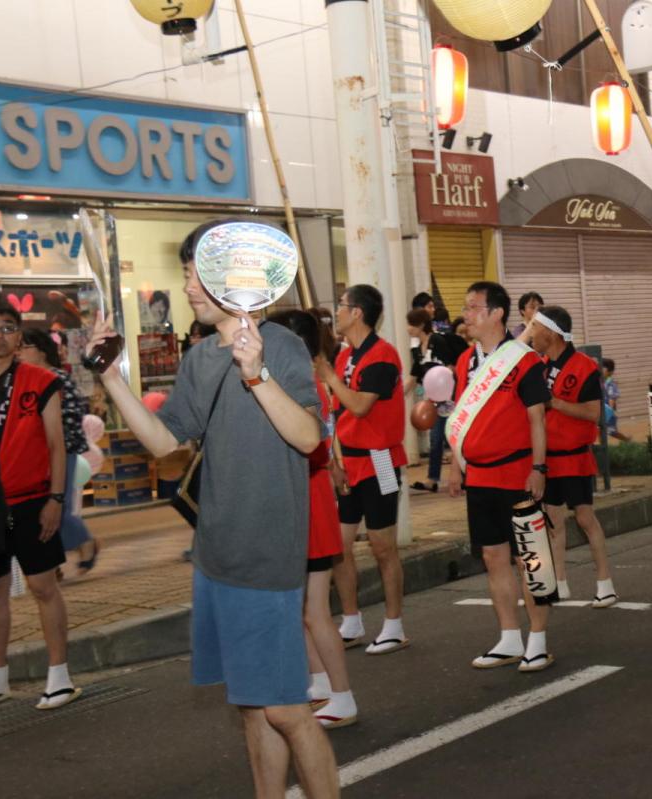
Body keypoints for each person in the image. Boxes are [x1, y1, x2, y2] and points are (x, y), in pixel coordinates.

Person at [83, 222, 338, 797]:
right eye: (186, 274)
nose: (188, 286)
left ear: (234, 276)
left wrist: (257, 374)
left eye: (197, 273)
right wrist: (111, 376)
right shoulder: (199, 358)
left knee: (288, 709)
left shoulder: (281, 346)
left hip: (266, 559)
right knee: (253, 706)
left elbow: (308, 437)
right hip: (216, 556)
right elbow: (163, 442)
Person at [447, 281, 554, 672]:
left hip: (518, 472)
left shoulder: (523, 360)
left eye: (473, 307)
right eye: (466, 307)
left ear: (496, 313)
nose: (466, 314)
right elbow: (459, 416)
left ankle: (537, 639)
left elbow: (537, 419)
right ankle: (509, 637)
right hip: (479, 475)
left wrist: (538, 468)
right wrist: (455, 464)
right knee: (493, 557)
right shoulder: (465, 361)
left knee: (530, 557)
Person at [0, 299, 75, 711]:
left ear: (18, 336)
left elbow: (56, 445)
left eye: (7, 327)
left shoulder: (40, 380)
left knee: (43, 586)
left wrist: (56, 498)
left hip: (33, 501)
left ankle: (60, 676)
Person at [269, 309, 357, 730]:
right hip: (301, 498)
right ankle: (321, 682)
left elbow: (314, 449)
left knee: (316, 610)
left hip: (310, 501)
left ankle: (343, 695)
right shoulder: (298, 380)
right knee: (302, 609)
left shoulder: (303, 384)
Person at [318, 285, 410, 655]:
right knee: (338, 547)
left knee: (382, 545)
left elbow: (358, 406)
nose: (336, 311)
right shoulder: (344, 355)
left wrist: (330, 377)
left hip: (381, 458)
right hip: (350, 460)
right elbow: (335, 414)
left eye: (341, 305)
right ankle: (352, 620)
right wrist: (334, 462)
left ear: (357, 312)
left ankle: (394, 625)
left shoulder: (382, 355)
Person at [527, 305, 615, 607]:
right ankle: (559, 583)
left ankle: (605, 582)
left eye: (535, 327)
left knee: (585, 517)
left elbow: (594, 414)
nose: (531, 333)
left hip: (574, 456)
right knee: (553, 521)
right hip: (547, 458)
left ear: (551, 333)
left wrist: (554, 403)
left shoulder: (584, 366)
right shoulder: (538, 366)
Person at [18, 328, 100, 573]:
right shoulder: (24, 379)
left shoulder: (57, 379)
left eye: (25, 347)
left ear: (42, 351)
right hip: (34, 458)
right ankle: (54, 563)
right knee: (39, 510)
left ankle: (84, 544)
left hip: (61, 454)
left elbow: (71, 419)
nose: (19, 353)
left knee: (56, 508)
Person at [405, 307, 464, 492]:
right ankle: (433, 479)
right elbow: (413, 377)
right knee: (436, 439)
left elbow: (451, 367)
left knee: (453, 437)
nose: (408, 328)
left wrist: (449, 390)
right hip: (434, 400)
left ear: (421, 325)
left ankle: (463, 476)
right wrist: (395, 395)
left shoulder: (437, 341)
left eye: (411, 324)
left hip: (449, 397)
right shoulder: (417, 350)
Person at [601, 358, 631, 443]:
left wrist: (609, 411)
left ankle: (627, 440)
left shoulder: (610, 384)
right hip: (601, 411)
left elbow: (612, 398)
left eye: (603, 369)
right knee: (601, 430)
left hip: (608, 413)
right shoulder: (602, 381)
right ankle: (602, 446)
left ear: (610, 371)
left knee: (611, 431)